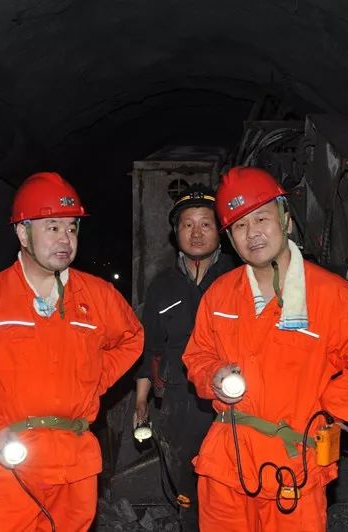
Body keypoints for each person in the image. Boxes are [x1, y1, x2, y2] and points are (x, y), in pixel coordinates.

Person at [182, 166, 348, 531]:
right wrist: (212, 374)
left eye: (261, 218)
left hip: (293, 466)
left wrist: (332, 407)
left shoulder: (328, 294)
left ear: (285, 219)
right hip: (225, 463)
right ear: (230, 239)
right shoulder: (220, 294)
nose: (252, 233)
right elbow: (197, 354)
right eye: (239, 225)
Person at [0, 172, 143, 531]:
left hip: (75, 462)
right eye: (53, 227)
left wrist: (93, 378)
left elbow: (131, 338)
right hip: (10, 461)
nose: (65, 239)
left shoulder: (99, 297)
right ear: (23, 233)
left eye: (72, 228)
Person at [133, 183, 235, 530]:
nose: (196, 233)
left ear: (220, 231)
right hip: (179, 400)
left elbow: (294, 273)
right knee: (187, 489)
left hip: (231, 399)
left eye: (206, 224)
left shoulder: (239, 276)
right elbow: (150, 347)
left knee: (229, 487)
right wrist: (142, 401)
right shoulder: (161, 286)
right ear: (175, 233)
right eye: (187, 224)